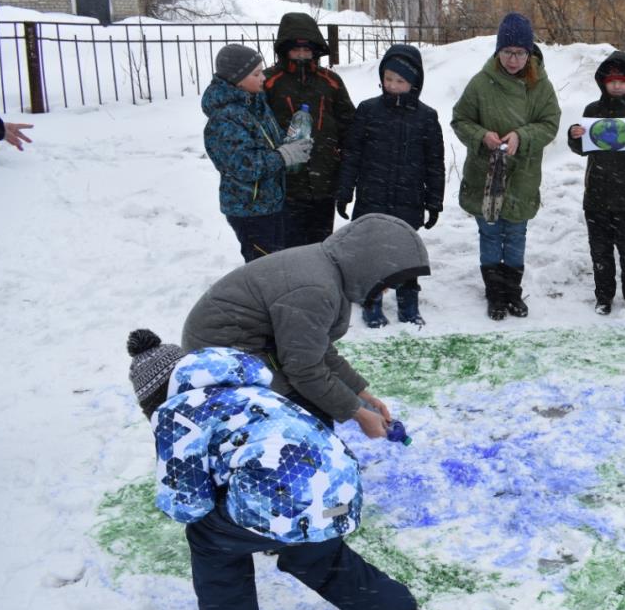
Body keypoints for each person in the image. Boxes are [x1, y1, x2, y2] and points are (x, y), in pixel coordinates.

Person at [126, 329, 426, 610]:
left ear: (153, 399)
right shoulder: (251, 391)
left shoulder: (177, 412)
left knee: (210, 540)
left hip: (282, 500)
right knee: (315, 550)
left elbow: (187, 503)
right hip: (340, 491)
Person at [181, 213, 430, 434]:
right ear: (371, 266)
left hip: (249, 344)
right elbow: (305, 370)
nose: (387, 291)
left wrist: (362, 395)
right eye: (390, 282)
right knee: (308, 419)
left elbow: (317, 347)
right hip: (222, 353)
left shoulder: (332, 272)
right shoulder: (315, 289)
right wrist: (360, 414)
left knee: (315, 405)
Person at [451, 12, 561, 320]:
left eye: (520, 53)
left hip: (522, 174)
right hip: (485, 174)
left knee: (515, 234)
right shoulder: (481, 83)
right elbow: (460, 119)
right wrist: (481, 135)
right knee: (489, 233)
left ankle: (513, 292)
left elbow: (550, 124)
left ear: (529, 53)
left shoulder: (540, 86)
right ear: (498, 51)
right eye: (507, 52)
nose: (513, 60)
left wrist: (521, 136)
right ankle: (494, 294)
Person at [337, 45, 444, 327]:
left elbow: (435, 163)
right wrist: (345, 191)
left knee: (405, 252)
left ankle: (409, 302)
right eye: (388, 79)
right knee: (373, 252)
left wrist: (434, 202)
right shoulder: (368, 111)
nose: (393, 86)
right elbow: (352, 155)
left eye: (401, 81)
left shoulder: (427, 117)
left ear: (414, 83)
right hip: (372, 196)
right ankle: (372, 302)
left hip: (409, 199)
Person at [202, 43, 313, 262]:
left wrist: (292, 141)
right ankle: (262, 297)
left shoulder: (255, 103)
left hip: (270, 202)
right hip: (249, 209)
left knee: (277, 263)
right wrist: (284, 156)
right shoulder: (225, 119)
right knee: (263, 269)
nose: (263, 77)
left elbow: (269, 140)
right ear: (237, 79)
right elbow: (246, 166)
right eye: (256, 73)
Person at [567, 51, 625, 314]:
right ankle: (603, 297)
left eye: (622, 81)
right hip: (596, 194)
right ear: (603, 82)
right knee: (600, 251)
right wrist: (575, 135)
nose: (617, 85)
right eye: (612, 81)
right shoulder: (592, 111)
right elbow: (582, 148)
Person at [263, 12, 356, 248]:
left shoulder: (330, 81)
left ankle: (318, 285)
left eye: (307, 50)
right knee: (289, 247)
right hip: (287, 182)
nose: (303, 55)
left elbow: (349, 124)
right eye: (296, 50)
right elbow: (258, 127)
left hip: (324, 180)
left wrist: (342, 159)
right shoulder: (270, 81)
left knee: (320, 245)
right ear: (285, 50)